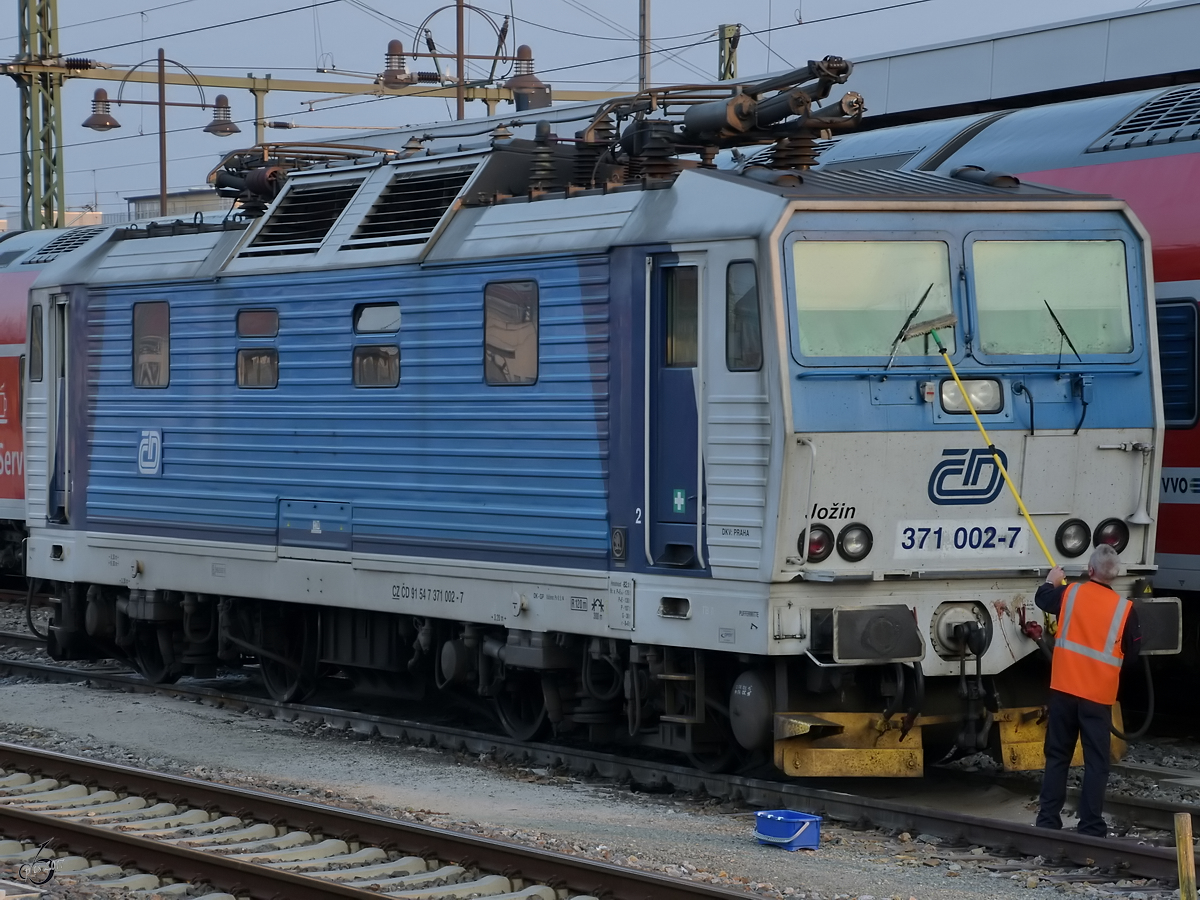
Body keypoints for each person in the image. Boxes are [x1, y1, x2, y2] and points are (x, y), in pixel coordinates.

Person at [1034, 544, 1140, 837]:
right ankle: (1091, 826)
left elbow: (1043, 599)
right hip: (1098, 697)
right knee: (1096, 763)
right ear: (1115, 575)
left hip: (1064, 690)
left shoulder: (1070, 593)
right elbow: (1132, 656)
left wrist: (1051, 580)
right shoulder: (1125, 610)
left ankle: (1047, 821)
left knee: (1058, 756)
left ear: (1090, 570)